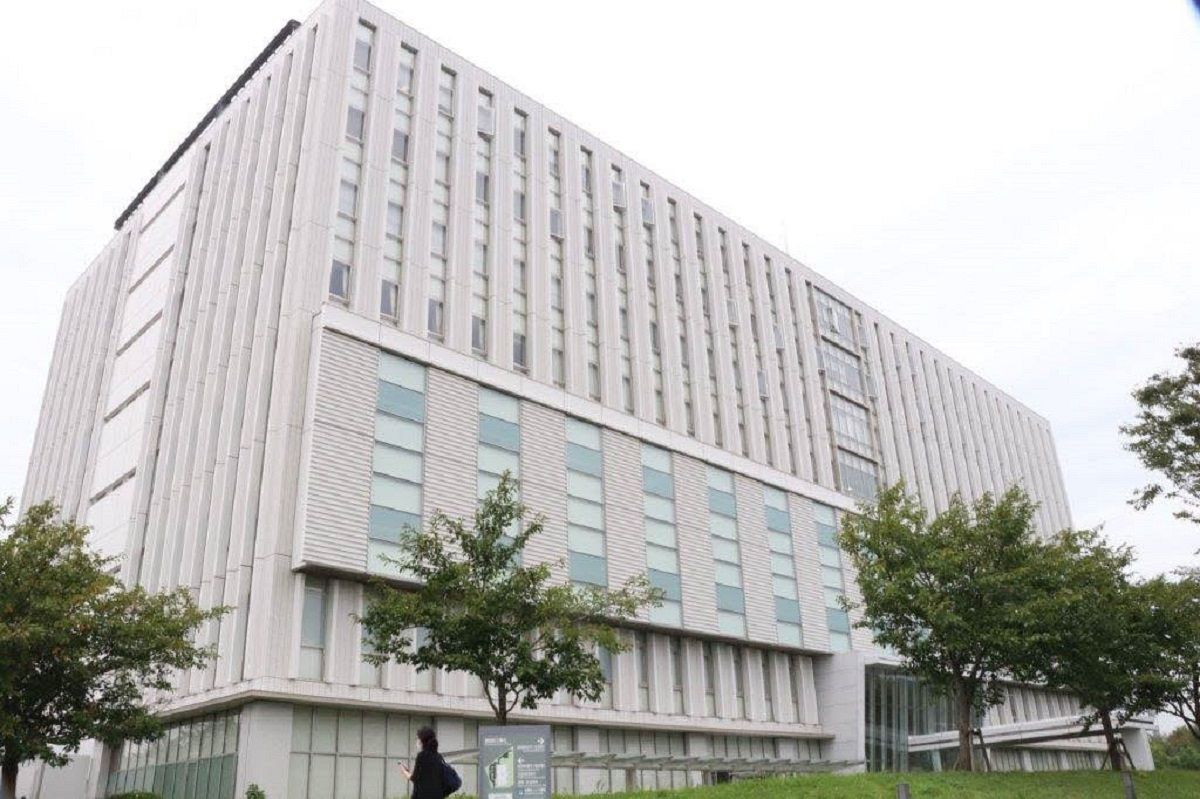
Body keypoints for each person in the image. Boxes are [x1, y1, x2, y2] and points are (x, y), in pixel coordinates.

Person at [400, 725, 445, 799]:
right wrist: (409, 771)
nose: (417, 741)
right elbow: (426, 778)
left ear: (422, 741)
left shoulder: (422, 756)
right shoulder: (438, 757)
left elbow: (415, 778)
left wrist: (404, 771)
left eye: (418, 738)